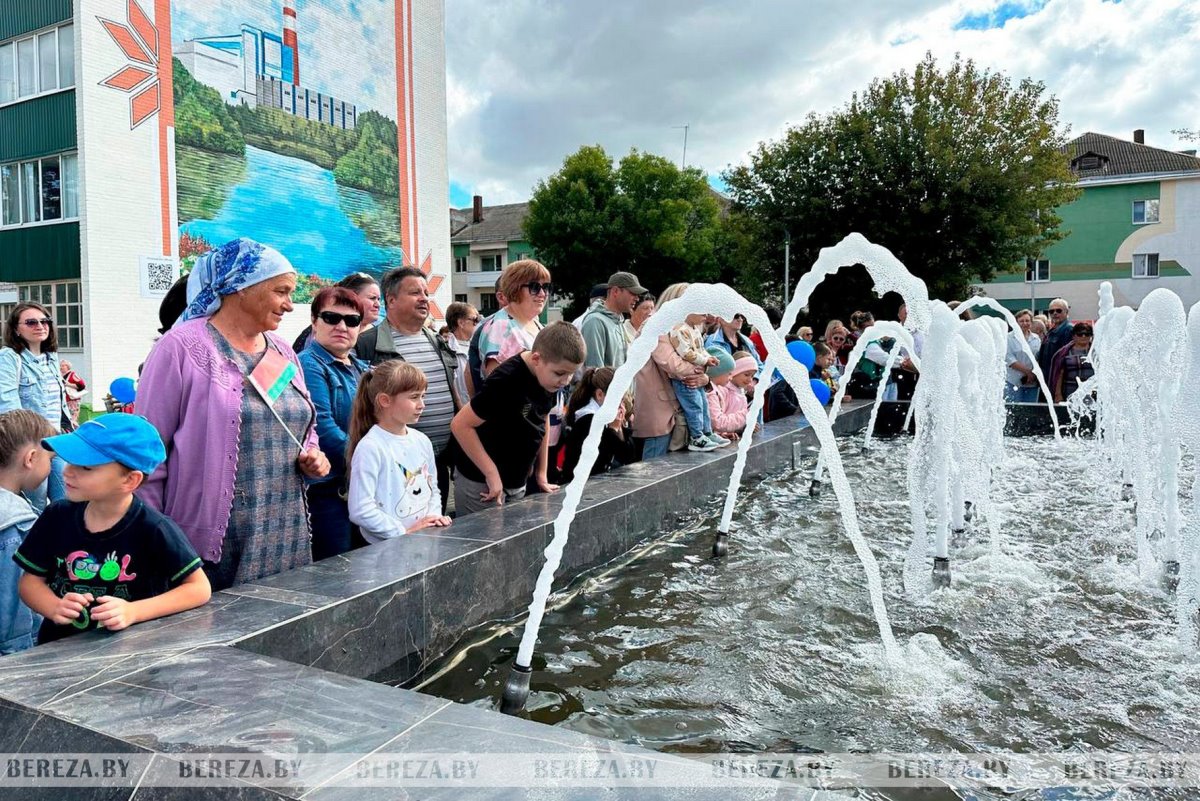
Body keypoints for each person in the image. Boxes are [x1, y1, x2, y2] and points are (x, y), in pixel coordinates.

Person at [138, 238, 330, 591]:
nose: (290, 305)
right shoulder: (181, 347)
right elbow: (147, 451)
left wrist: (313, 454)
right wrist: (155, 536)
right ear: (241, 287)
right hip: (213, 539)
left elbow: (303, 424)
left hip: (284, 527)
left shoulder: (284, 352)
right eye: (281, 292)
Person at [15, 414, 211, 643]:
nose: (67, 471)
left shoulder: (154, 528)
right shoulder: (56, 517)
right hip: (59, 653)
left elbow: (198, 589)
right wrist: (54, 606)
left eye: (86, 467)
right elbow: (30, 582)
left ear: (129, 481)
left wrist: (134, 611)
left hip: (129, 655)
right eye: (69, 461)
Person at [450, 322, 584, 515]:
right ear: (537, 359)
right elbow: (460, 425)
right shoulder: (506, 380)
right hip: (482, 483)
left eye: (571, 374)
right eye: (560, 373)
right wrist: (491, 473)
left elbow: (541, 418)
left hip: (516, 480)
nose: (565, 381)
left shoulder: (549, 379)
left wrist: (541, 473)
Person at [354, 266, 459, 512]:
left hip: (436, 463)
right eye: (415, 293)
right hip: (394, 468)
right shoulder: (368, 345)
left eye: (426, 292)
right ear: (391, 300)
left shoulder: (437, 340)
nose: (425, 298)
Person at [297, 287, 369, 560]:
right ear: (314, 322)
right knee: (337, 572)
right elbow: (321, 428)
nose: (342, 326)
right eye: (331, 318)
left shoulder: (361, 368)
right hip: (328, 492)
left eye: (351, 321)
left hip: (361, 486)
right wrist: (370, 460)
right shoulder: (308, 364)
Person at [346, 361, 450, 541]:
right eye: (414, 397)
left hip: (422, 541)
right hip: (387, 551)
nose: (422, 405)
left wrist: (433, 519)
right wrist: (402, 532)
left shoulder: (421, 440)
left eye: (423, 396)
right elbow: (360, 509)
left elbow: (432, 488)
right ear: (385, 400)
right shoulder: (371, 447)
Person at [0, 302, 71, 510]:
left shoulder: (51, 358)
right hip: (30, 445)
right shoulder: (10, 358)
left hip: (57, 441)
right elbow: (8, 404)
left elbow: (58, 404)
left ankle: (64, 542)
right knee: (35, 504)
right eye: (31, 322)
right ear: (16, 329)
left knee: (67, 503)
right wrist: (27, 442)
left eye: (45, 321)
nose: (40, 326)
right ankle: (35, 542)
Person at [632, 283, 711, 459]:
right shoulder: (656, 326)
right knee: (653, 472)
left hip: (673, 408)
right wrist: (703, 368)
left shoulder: (680, 328)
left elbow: (697, 356)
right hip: (658, 411)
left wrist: (704, 376)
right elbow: (674, 364)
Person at [0, 410, 55, 654]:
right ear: (31, 458)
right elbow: (13, 614)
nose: (52, 468)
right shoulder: (15, 523)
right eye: (51, 460)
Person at [559, 367, 638, 482]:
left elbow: (628, 455)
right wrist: (613, 429)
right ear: (600, 394)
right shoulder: (587, 419)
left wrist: (619, 427)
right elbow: (601, 459)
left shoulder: (607, 416)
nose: (620, 403)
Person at [476, 260, 551, 378]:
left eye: (546, 287)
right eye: (534, 287)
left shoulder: (534, 323)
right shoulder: (501, 327)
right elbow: (497, 386)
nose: (542, 294)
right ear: (514, 288)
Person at [669, 317, 730, 452]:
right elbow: (686, 353)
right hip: (685, 378)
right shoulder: (678, 328)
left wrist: (709, 358)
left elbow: (701, 349)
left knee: (703, 404)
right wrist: (705, 361)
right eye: (701, 310)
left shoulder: (695, 329)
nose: (705, 315)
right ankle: (696, 437)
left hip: (697, 375)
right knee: (694, 406)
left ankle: (707, 433)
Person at [292, 272, 382, 353]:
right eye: (372, 298)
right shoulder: (318, 335)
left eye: (378, 299)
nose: (378, 304)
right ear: (352, 297)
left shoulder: (380, 334)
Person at [580, 272, 646, 369]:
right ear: (615, 291)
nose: (637, 298)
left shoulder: (618, 321)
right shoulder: (595, 322)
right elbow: (594, 373)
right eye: (633, 293)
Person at [708, 351, 755, 442]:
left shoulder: (741, 394)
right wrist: (747, 415)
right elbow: (718, 423)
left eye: (752, 376)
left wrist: (743, 427)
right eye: (746, 375)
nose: (750, 380)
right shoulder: (716, 392)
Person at [444, 301, 481, 406]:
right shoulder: (447, 351)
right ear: (461, 323)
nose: (478, 324)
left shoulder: (478, 346)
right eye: (475, 320)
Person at [1050, 322, 1095, 403]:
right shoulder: (1063, 353)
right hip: (1070, 391)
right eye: (1080, 334)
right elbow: (1059, 374)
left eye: (1087, 334)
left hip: (1092, 392)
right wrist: (1058, 394)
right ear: (1073, 336)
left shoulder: (1096, 352)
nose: (1083, 336)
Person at [1004, 309, 1042, 403]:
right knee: (1014, 410)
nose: (1024, 323)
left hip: (1031, 382)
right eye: (1021, 321)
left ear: (1031, 322)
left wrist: (1032, 374)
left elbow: (1038, 357)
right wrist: (1028, 372)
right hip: (1013, 381)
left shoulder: (1036, 339)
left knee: (1031, 411)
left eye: (1027, 321)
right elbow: (1009, 359)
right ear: (1016, 322)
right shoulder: (1008, 338)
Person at [1039, 298, 1074, 386]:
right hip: (1048, 378)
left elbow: (1066, 359)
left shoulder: (1069, 330)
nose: (1055, 313)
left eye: (1058, 310)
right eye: (1051, 311)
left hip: (1059, 380)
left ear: (1066, 312)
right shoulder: (1051, 331)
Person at [60, 360, 86, 427]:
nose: (61, 367)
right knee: (68, 419)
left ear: (68, 367)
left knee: (73, 420)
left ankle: (76, 432)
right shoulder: (61, 375)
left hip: (73, 401)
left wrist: (68, 384)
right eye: (60, 366)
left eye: (63, 366)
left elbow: (82, 386)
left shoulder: (73, 374)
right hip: (65, 401)